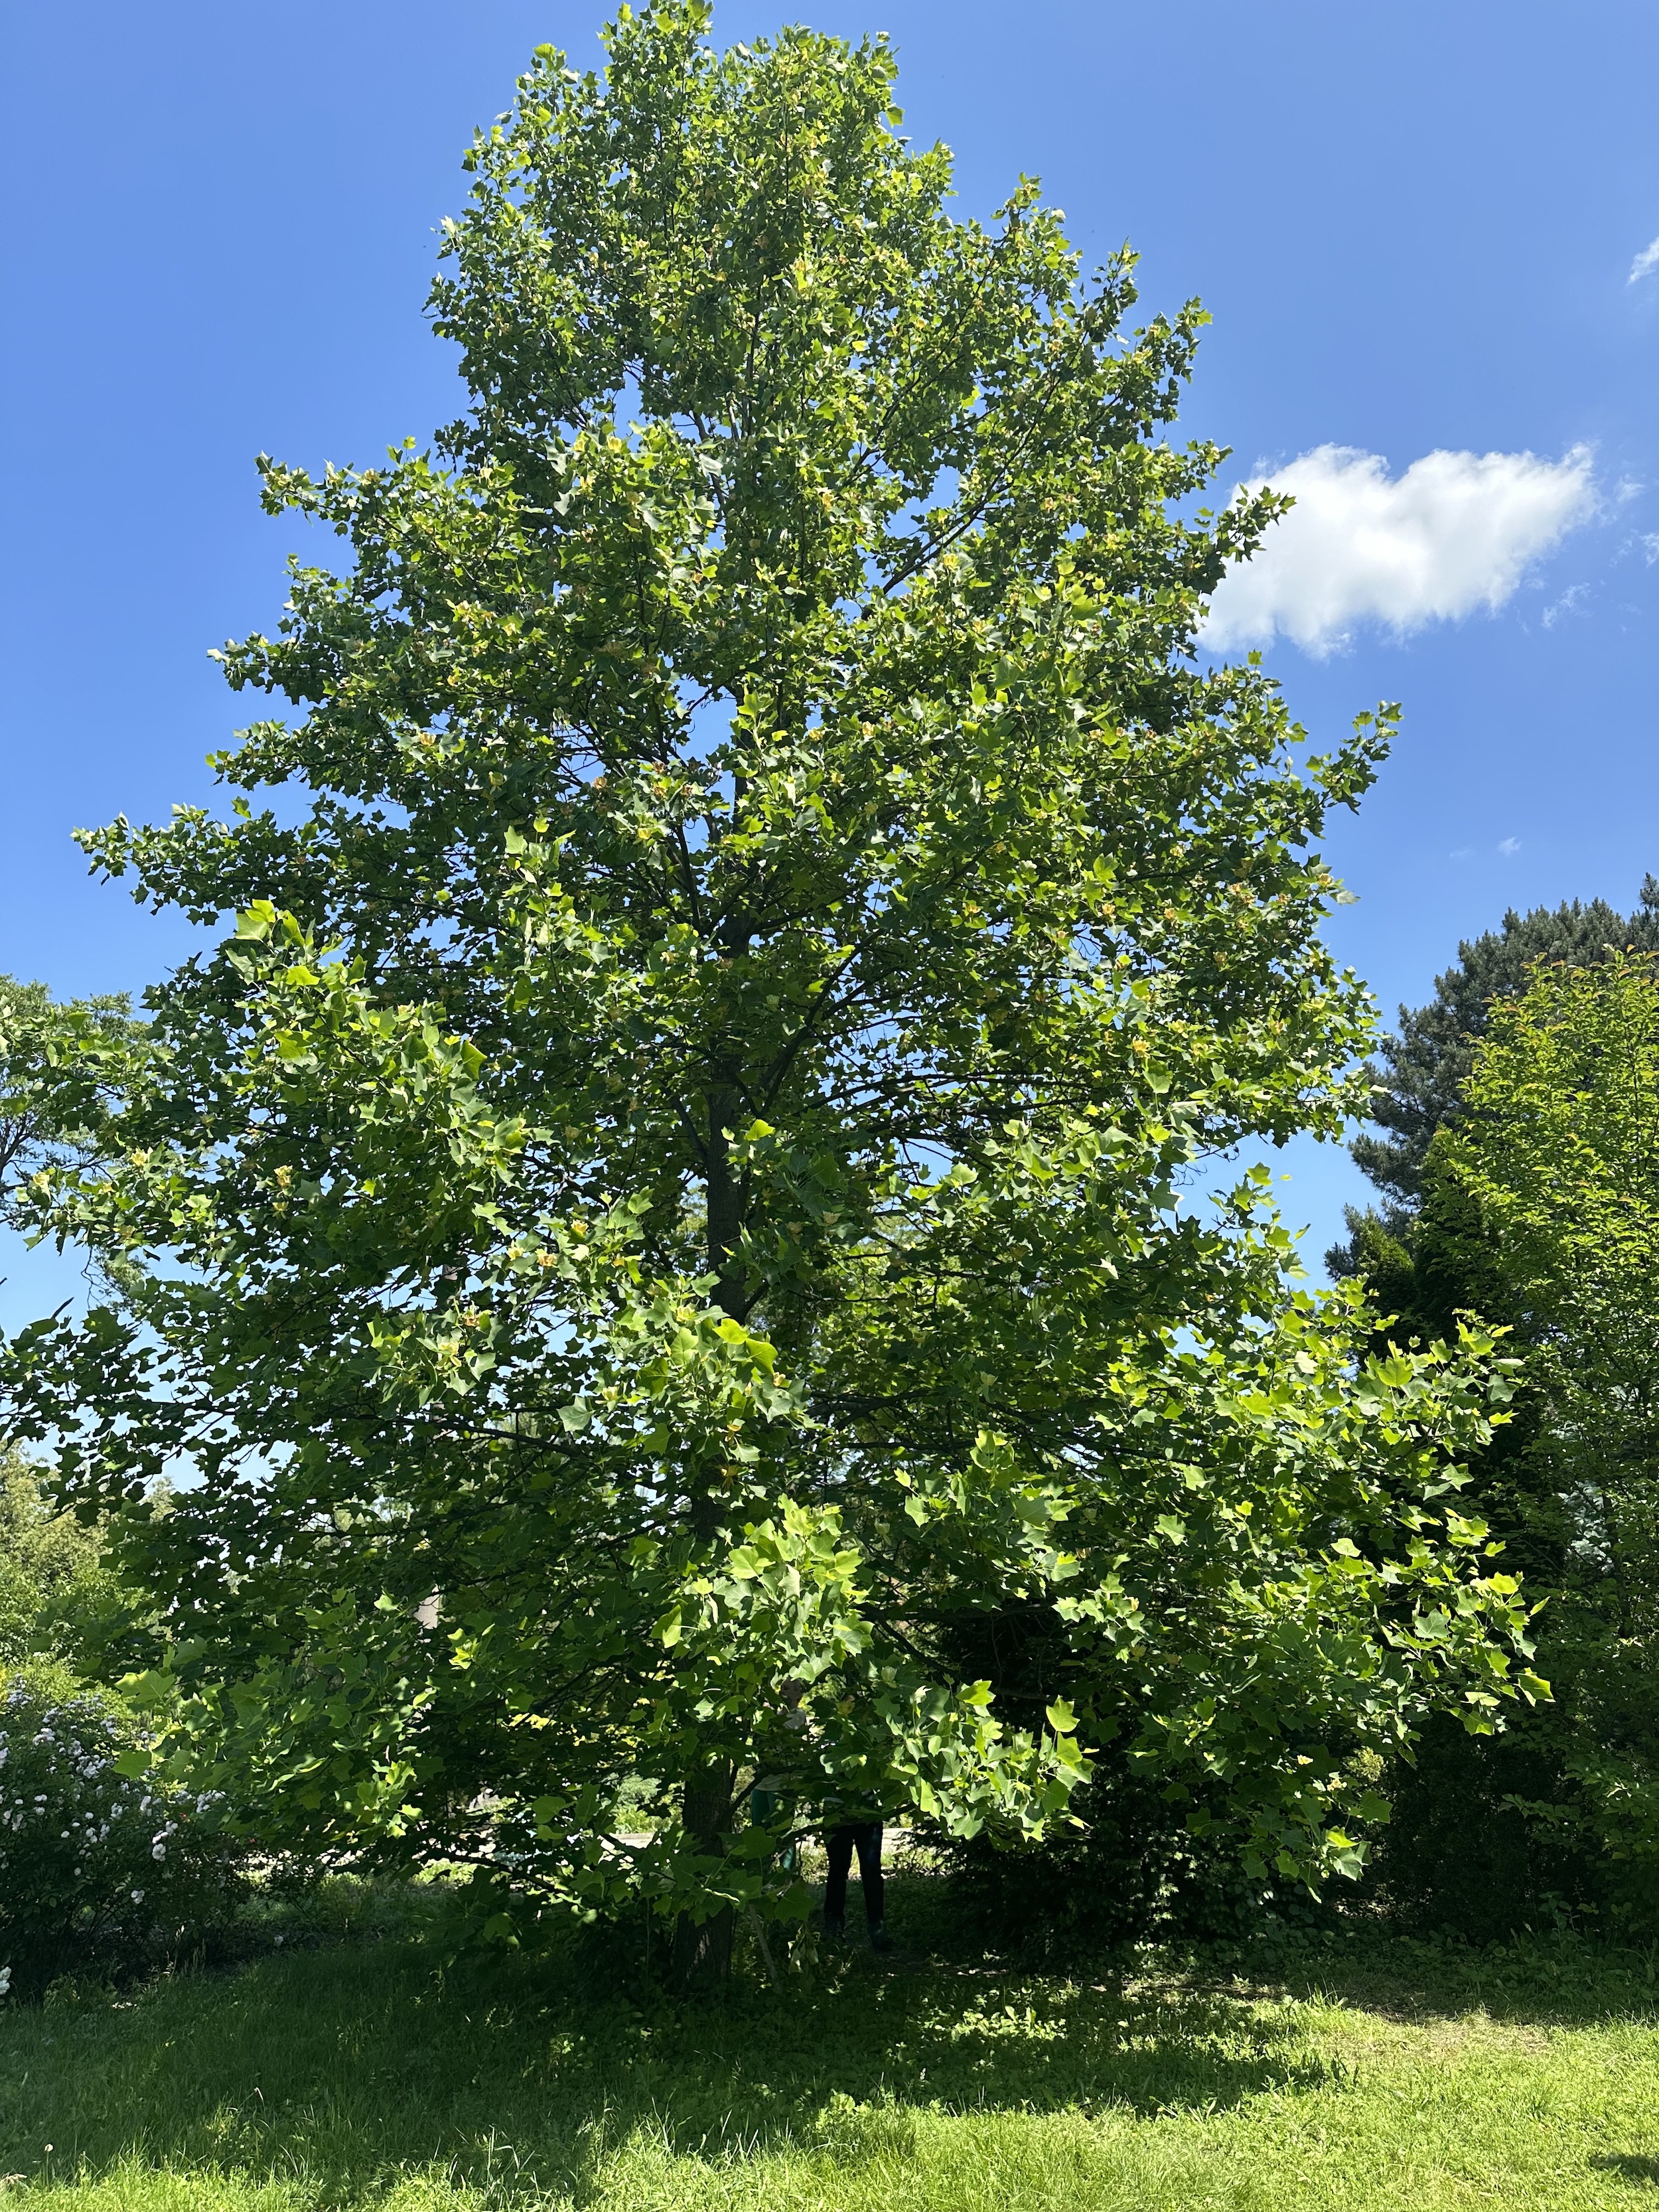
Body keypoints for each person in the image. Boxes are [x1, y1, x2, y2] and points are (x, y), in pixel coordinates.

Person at [822, 1818, 891, 1949]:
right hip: (836, 1813)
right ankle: (833, 1928)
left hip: (868, 1813)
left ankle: (878, 1930)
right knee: (838, 1871)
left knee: (872, 1872)